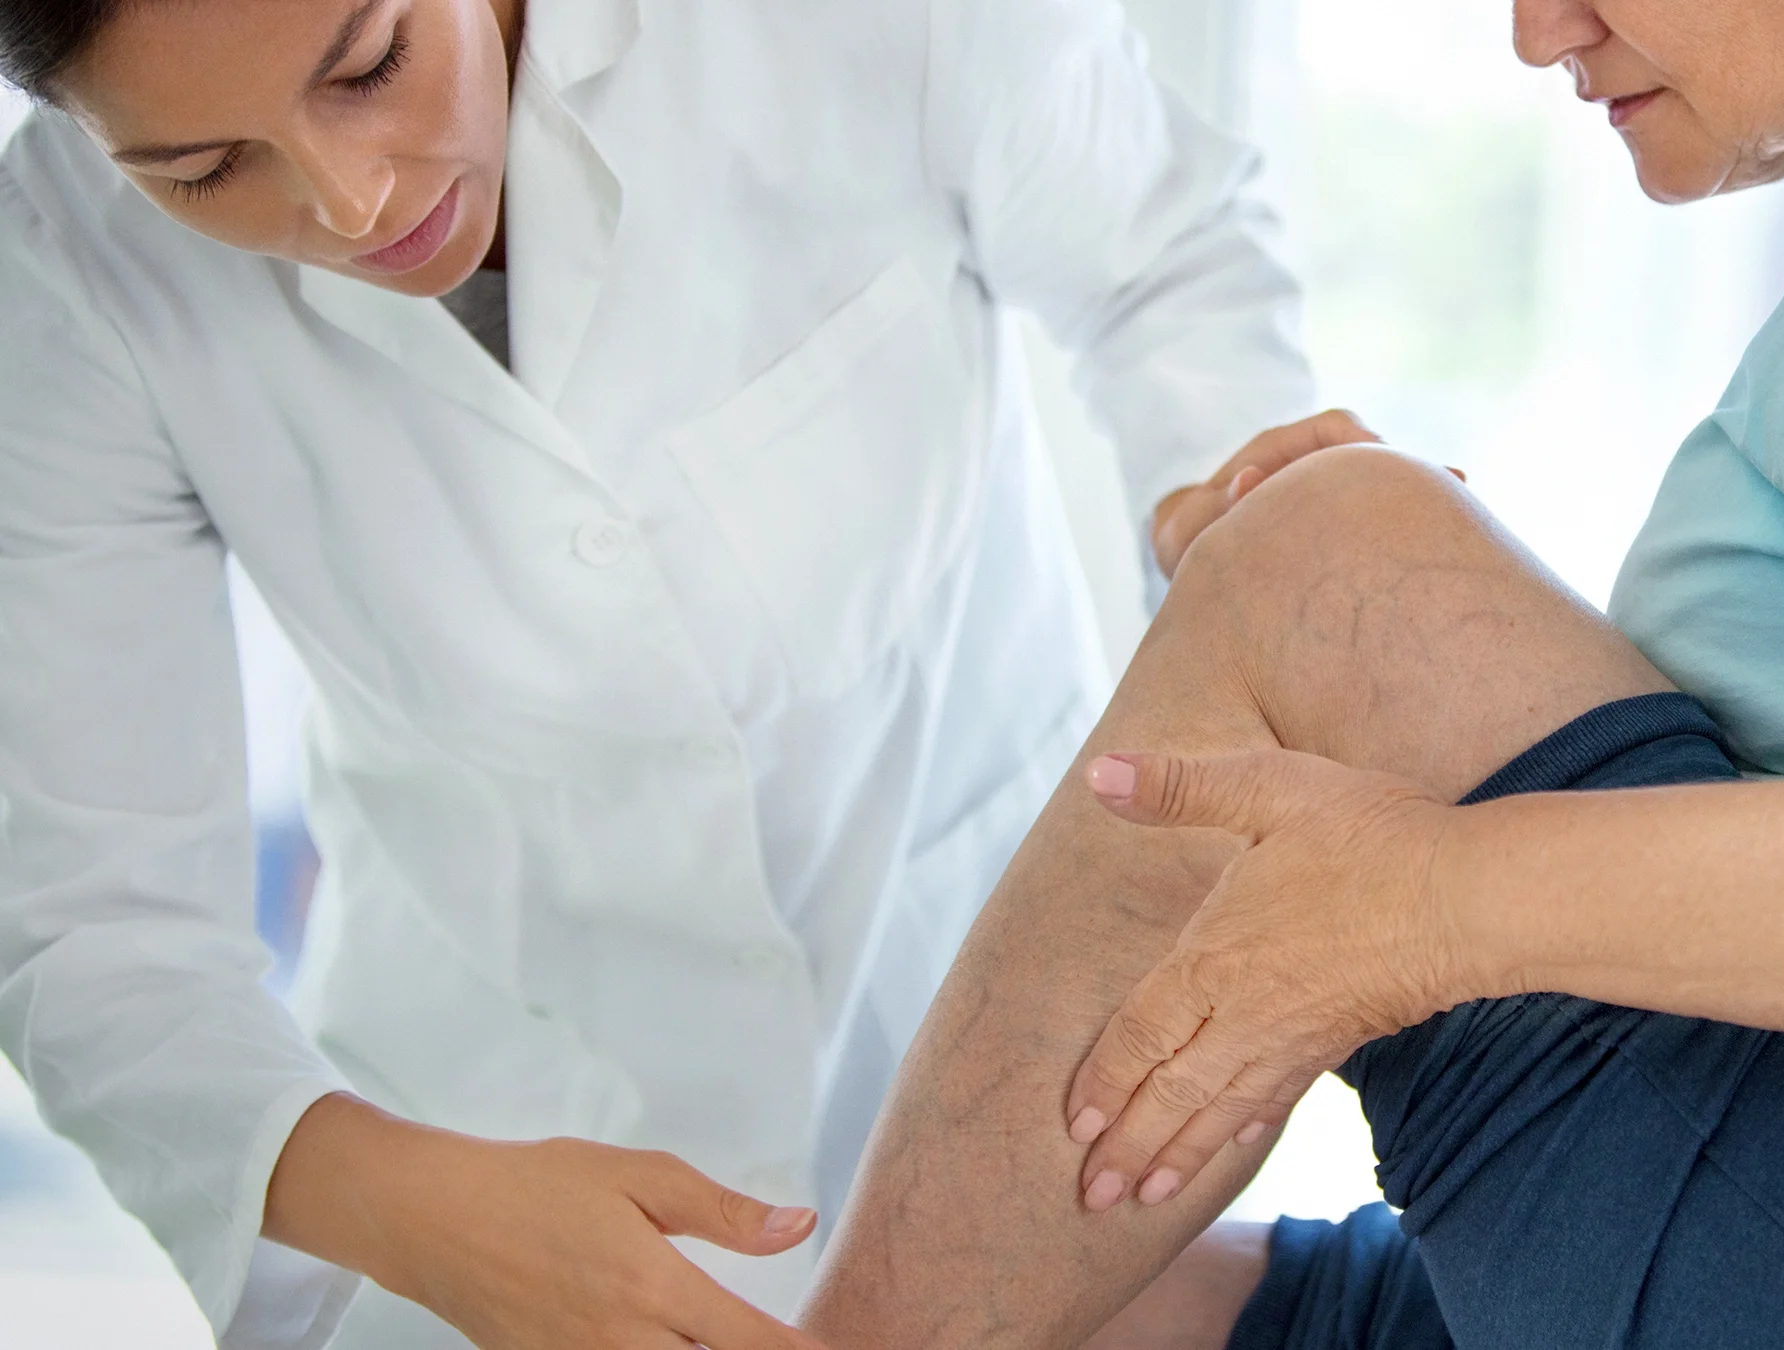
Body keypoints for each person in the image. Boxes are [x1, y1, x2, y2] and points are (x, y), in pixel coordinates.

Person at [791, 0, 1784, 1345]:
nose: (1533, 30)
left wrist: (1425, 895)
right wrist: (1445, 675)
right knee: (1114, 1318)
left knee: (1332, 564)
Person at [0, 0, 1337, 1345]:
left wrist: (1237, 529)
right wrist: (409, 1208)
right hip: (478, 1125)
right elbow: (99, 933)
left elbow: (1167, 268)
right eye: (202, 170)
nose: (350, 202)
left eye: (371, 64)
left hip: (981, 1031)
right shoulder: (67, 266)